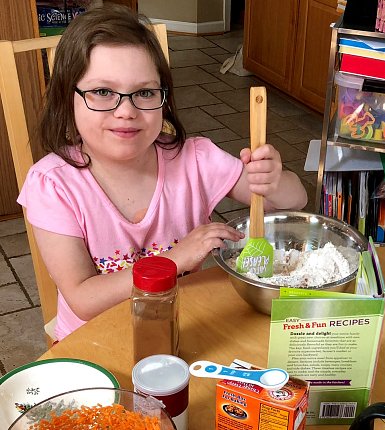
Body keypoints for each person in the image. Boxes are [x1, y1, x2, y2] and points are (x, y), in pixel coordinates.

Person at [18, 4, 308, 340]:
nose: (126, 111)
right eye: (102, 92)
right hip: (97, 340)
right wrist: (174, 259)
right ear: (67, 99)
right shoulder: (53, 185)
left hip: (180, 325)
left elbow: (293, 200)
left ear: (163, 99)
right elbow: (84, 299)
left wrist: (272, 179)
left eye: (144, 93)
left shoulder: (194, 159)